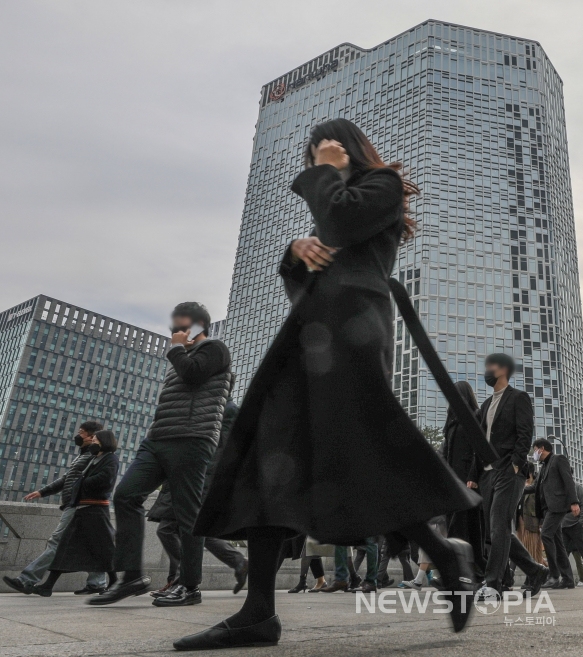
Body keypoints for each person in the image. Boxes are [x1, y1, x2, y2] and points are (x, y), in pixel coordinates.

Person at [180, 119, 478, 650]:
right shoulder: (335, 197)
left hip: (354, 332)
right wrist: (295, 253)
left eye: (327, 148)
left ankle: (441, 548)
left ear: (350, 148)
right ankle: (258, 613)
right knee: (270, 454)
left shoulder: (379, 186)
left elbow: (340, 225)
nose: (319, 156)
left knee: (361, 450)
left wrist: (328, 172)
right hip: (308, 335)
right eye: (313, 153)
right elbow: (309, 273)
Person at [91, 302, 233, 607]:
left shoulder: (215, 349)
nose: (174, 331)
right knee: (126, 495)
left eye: (180, 326)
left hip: (193, 438)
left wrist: (176, 349)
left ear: (197, 326)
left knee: (187, 515)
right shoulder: (181, 356)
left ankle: (190, 586)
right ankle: (131, 576)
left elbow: (193, 376)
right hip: (158, 439)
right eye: (173, 326)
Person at [150, 398, 249, 601]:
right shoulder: (208, 408)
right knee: (189, 529)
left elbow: (226, 447)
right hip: (188, 473)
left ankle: (184, 578)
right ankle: (184, 577)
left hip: (201, 475)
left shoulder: (227, 410)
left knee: (173, 528)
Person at [471, 354, 550, 597]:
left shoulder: (518, 398)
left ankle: (492, 583)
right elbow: (479, 442)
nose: (487, 371)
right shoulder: (485, 406)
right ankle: (534, 570)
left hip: (508, 471)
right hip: (486, 475)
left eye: (490, 367)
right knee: (497, 529)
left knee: (499, 527)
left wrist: (516, 464)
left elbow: (525, 433)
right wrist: (474, 474)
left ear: (503, 369)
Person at [3, 421, 108, 595]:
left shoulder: (94, 456)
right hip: (75, 504)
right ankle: (97, 583)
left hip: (79, 505)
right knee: (92, 545)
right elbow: (66, 479)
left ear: (91, 436)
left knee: (56, 542)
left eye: (81, 432)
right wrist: (42, 492)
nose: (77, 435)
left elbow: (94, 481)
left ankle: (26, 579)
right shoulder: (83, 456)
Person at [28, 430, 120, 596]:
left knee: (101, 548)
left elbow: (106, 479)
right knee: (68, 546)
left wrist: (82, 482)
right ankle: (48, 586)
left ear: (104, 441)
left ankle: (113, 580)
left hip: (96, 509)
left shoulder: (111, 459)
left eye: (95, 440)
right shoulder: (94, 459)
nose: (92, 442)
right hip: (82, 508)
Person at [441, 381, 486, 574]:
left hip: (469, 480)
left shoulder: (475, 416)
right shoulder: (451, 421)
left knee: (463, 528)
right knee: (465, 529)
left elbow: (479, 449)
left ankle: (457, 573)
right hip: (453, 481)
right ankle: (476, 572)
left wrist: (473, 475)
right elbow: (445, 452)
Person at [529, 438, 581, 589]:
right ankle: (568, 579)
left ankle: (554, 575)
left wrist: (574, 502)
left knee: (545, 535)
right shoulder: (543, 467)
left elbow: (568, 480)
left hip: (557, 506)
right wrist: (518, 490)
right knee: (558, 542)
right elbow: (534, 488)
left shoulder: (558, 459)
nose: (534, 454)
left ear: (542, 448)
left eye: (535, 449)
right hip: (547, 509)